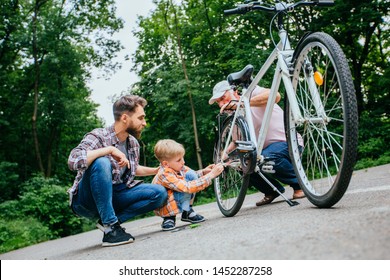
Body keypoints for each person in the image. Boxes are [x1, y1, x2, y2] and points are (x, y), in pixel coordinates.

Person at [67, 95, 168, 247]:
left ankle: (109, 222)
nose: (144, 123)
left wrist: (157, 170)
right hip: (86, 201)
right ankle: (111, 229)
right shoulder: (98, 136)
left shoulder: (133, 143)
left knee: (159, 193)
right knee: (102, 162)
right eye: (140, 118)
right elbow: (73, 160)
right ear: (125, 118)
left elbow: (132, 168)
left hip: (114, 195)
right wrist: (108, 150)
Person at [209, 80, 305, 206]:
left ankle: (299, 185)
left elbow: (276, 96)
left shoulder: (250, 93)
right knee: (240, 162)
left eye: (223, 98)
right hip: (266, 151)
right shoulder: (235, 118)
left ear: (235, 91)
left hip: (289, 143)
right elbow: (236, 143)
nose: (222, 104)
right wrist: (223, 158)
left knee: (267, 156)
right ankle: (271, 191)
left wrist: (242, 103)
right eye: (218, 102)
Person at [153, 139, 224, 231]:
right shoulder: (164, 174)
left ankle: (187, 211)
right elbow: (187, 187)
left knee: (192, 174)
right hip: (166, 206)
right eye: (179, 160)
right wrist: (211, 175)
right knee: (187, 187)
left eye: (183, 158)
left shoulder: (179, 167)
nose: (183, 162)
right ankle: (169, 217)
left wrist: (204, 172)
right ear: (166, 164)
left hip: (177, 197)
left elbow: (191, 176)